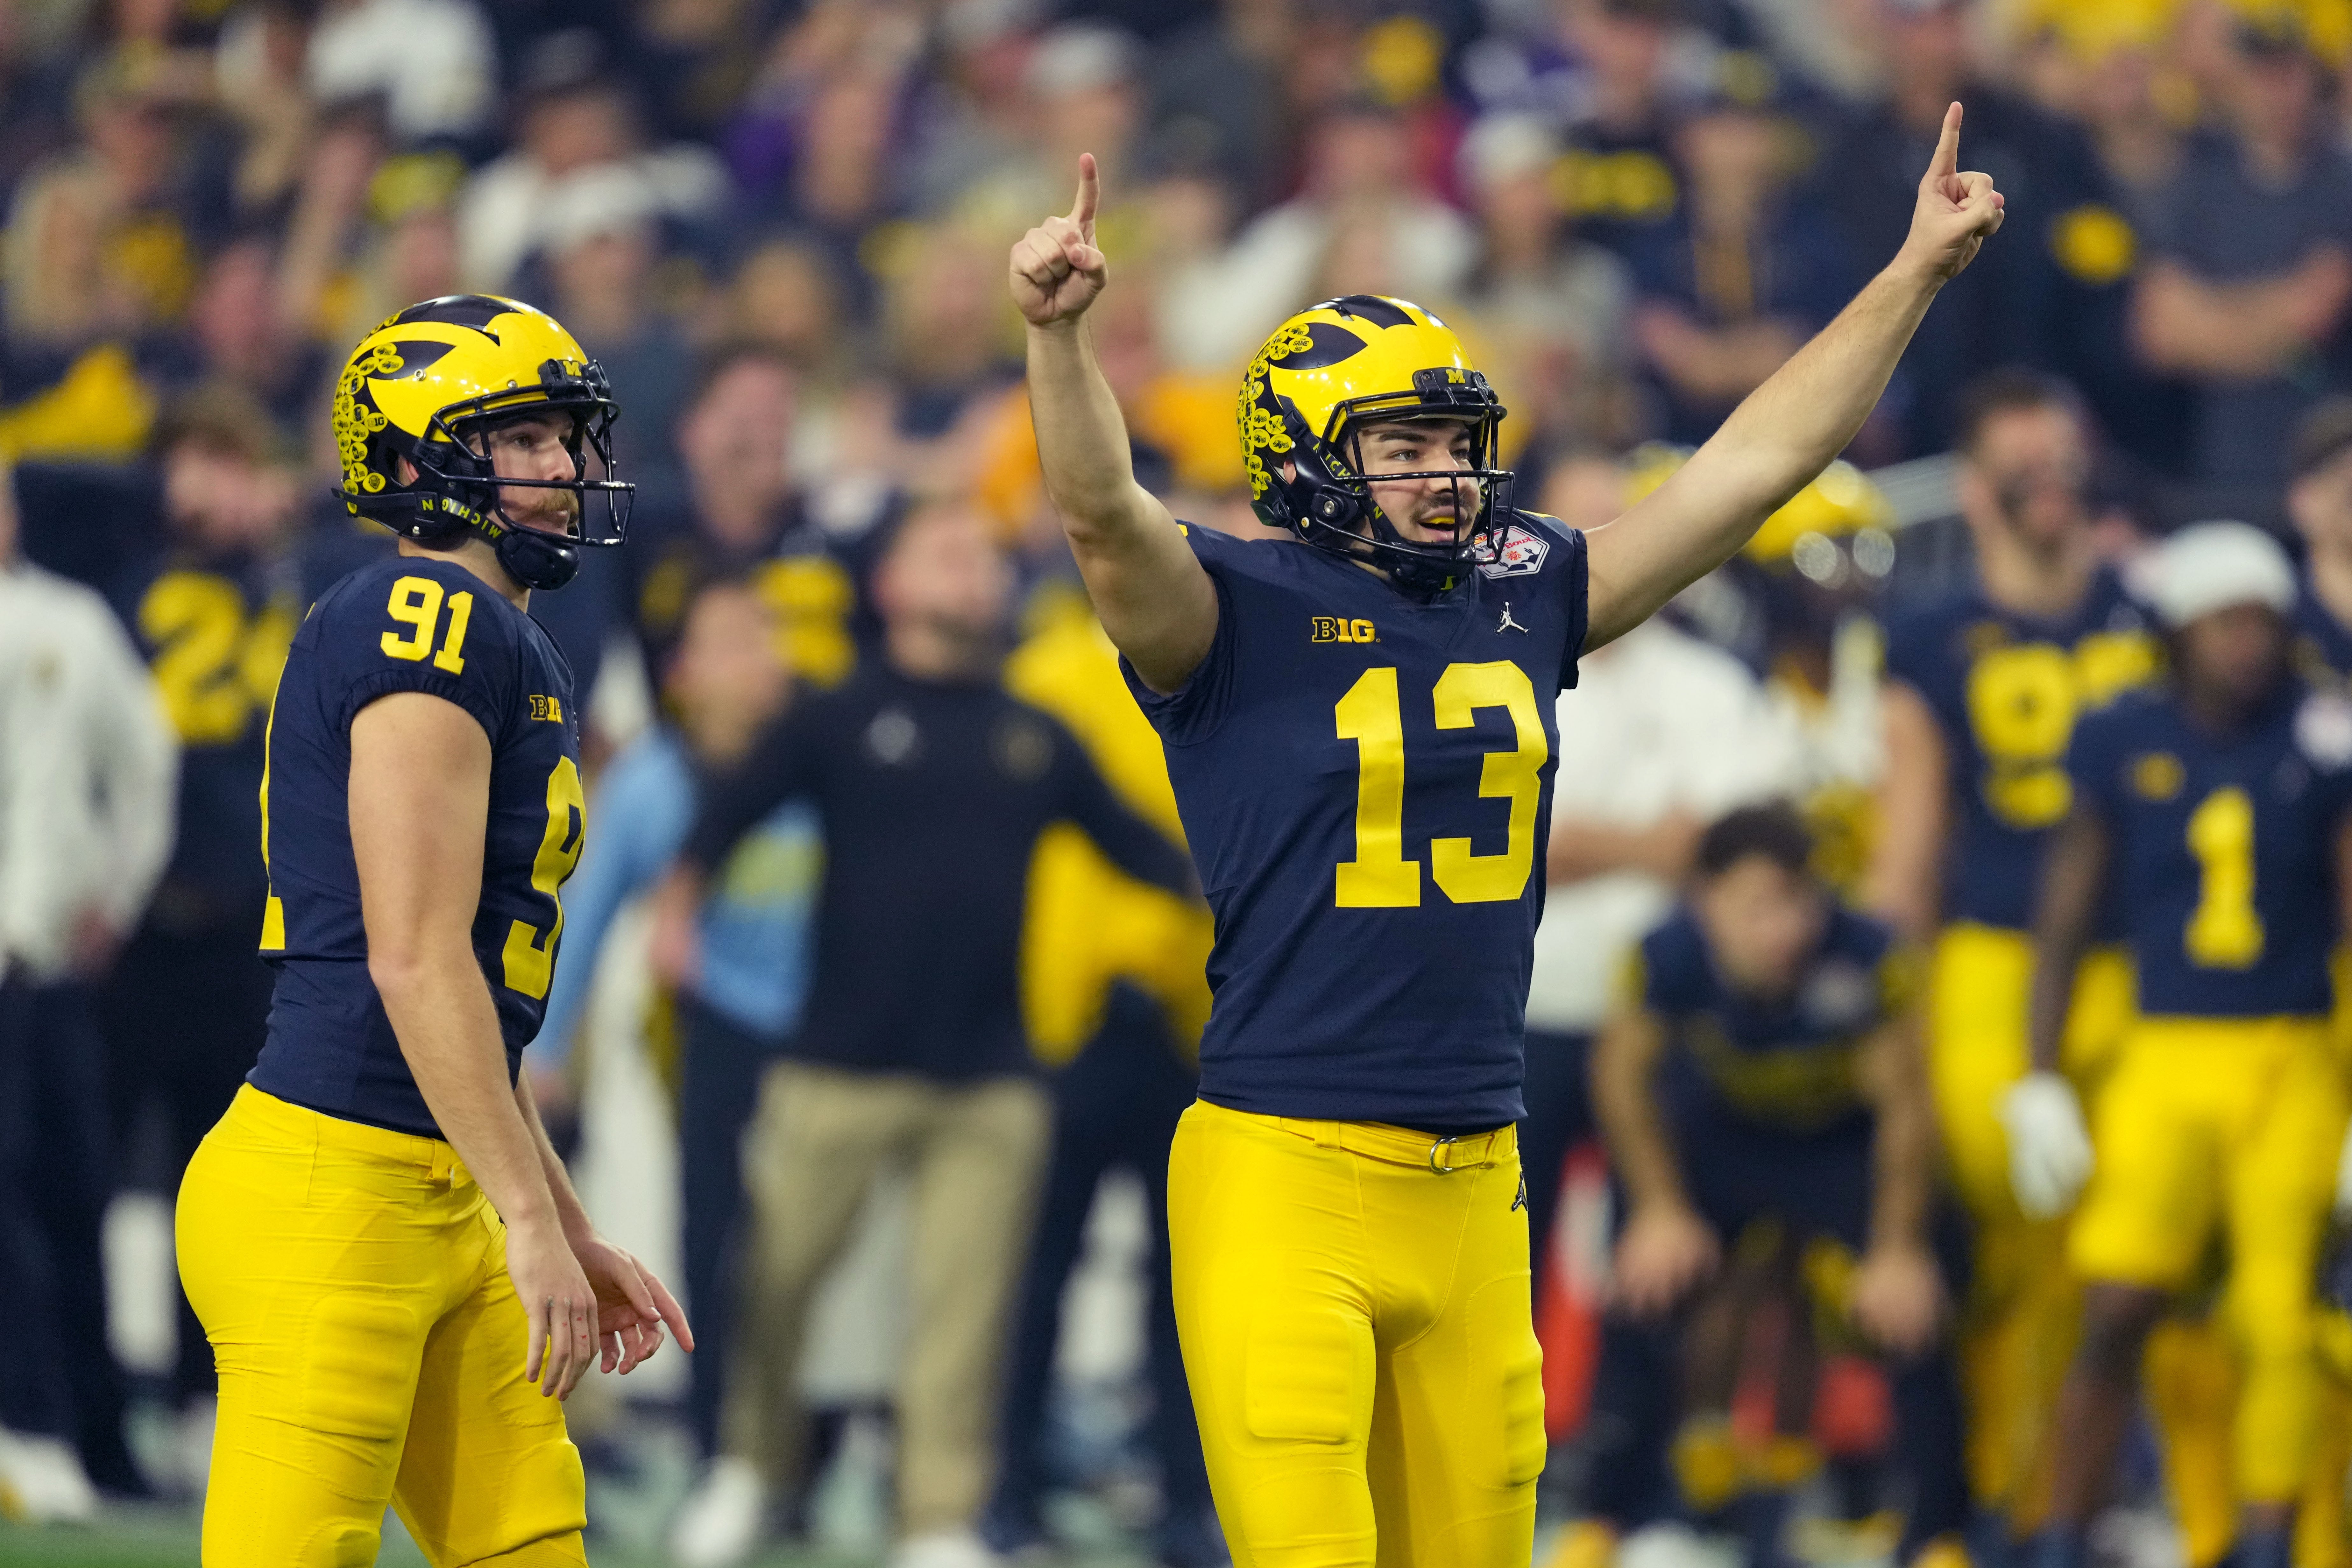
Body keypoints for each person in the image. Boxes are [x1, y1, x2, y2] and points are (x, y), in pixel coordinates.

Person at [1012, 95, 2003, 1564]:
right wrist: (1059, 338)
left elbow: (1743, 470)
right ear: (1301, 454)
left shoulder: (1520, 581)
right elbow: (1101, 512)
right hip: (1284, 1163)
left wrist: (1911, 269)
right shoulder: (1222, 608)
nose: (1440, 469)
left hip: (1478, 1171)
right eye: (1399, 441)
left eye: (1451, 439)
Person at [173, 293, 691, 1566]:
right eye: (523, 438)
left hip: (439, 1175)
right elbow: (413, 955)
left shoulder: (508, 639)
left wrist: (552, 1214)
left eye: (567, 436)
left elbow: (471, 1006)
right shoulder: (428, 619)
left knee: (530, 1544)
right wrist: (531, 1216)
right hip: (335, 1180)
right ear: (414, 460)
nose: (566, 468)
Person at [657, 499, 1196, 1568]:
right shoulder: (836, 714)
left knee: (964, 1311)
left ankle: (938, 1515)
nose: (969, 567)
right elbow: (721, 818)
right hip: (835, 1062)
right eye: (943, 551)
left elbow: (1143, 850)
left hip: (990, 1075)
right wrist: (675, 912)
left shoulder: (1032, 733)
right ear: (891, 586)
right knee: (776, 1278)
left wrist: (1251, 894)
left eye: (981, 555)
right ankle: (750, 1469)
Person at [2007, 521, 2352, 1568]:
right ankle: (2059, 1524)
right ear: (2175, 632)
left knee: (2275, 1315)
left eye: (2260, 618)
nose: (2247, 641)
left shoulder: (2321, 731)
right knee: (2111, 1299)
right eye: (2223, 621)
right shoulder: (2119, 734)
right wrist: (2035, 1073)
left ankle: (2264, 1533)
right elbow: (2065, 907)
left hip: (2286, 1052)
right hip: (2162, 1048)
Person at [1868, 368, 2157, 1530]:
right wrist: (1900, 1007)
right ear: (1976, 492)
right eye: (2023, 468)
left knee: (2129, 1246)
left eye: (2064, 463)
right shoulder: (1931, 638)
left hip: (2142, 961)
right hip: (1991, 954)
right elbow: (1907, 843)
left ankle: (2059, 1501)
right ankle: (2018, 1495)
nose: (2052, 487)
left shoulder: (2154, 610)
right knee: (2022, 1213)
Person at [1586, 804, 1962, 1566]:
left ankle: (1937, 1533)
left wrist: (1897, 1249)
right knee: (1641, 1285)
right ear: (1706, 903)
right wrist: (1660, 1209)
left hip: (1838, 1145)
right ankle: (1610, 1516)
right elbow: (1620, 1079)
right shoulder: (1664, 958)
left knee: (1922, 1296)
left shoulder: (1868, 959)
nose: (1785, 929)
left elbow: (1906, 1114)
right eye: (1758, 906)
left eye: (1799, 901)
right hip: (1723, 1135)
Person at [528, 572, 815, 1463]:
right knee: (713, 1228)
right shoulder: (655, 778)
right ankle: (714, 1437)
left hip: (826, 1036)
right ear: (685, 671)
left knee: (813, 1251)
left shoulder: (820, 747)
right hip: (712, 1019)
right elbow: (591, 906)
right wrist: (546, 1045)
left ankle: (814, 1440)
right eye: (731, 640)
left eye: (765, 635)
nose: (757, 658)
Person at [0, 462, 176, 1518]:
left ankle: (83, 1430)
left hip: (46, 968)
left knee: (68, 1196)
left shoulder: (71, 619)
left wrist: (119, 888)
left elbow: (145, 760)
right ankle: (29, 1426)